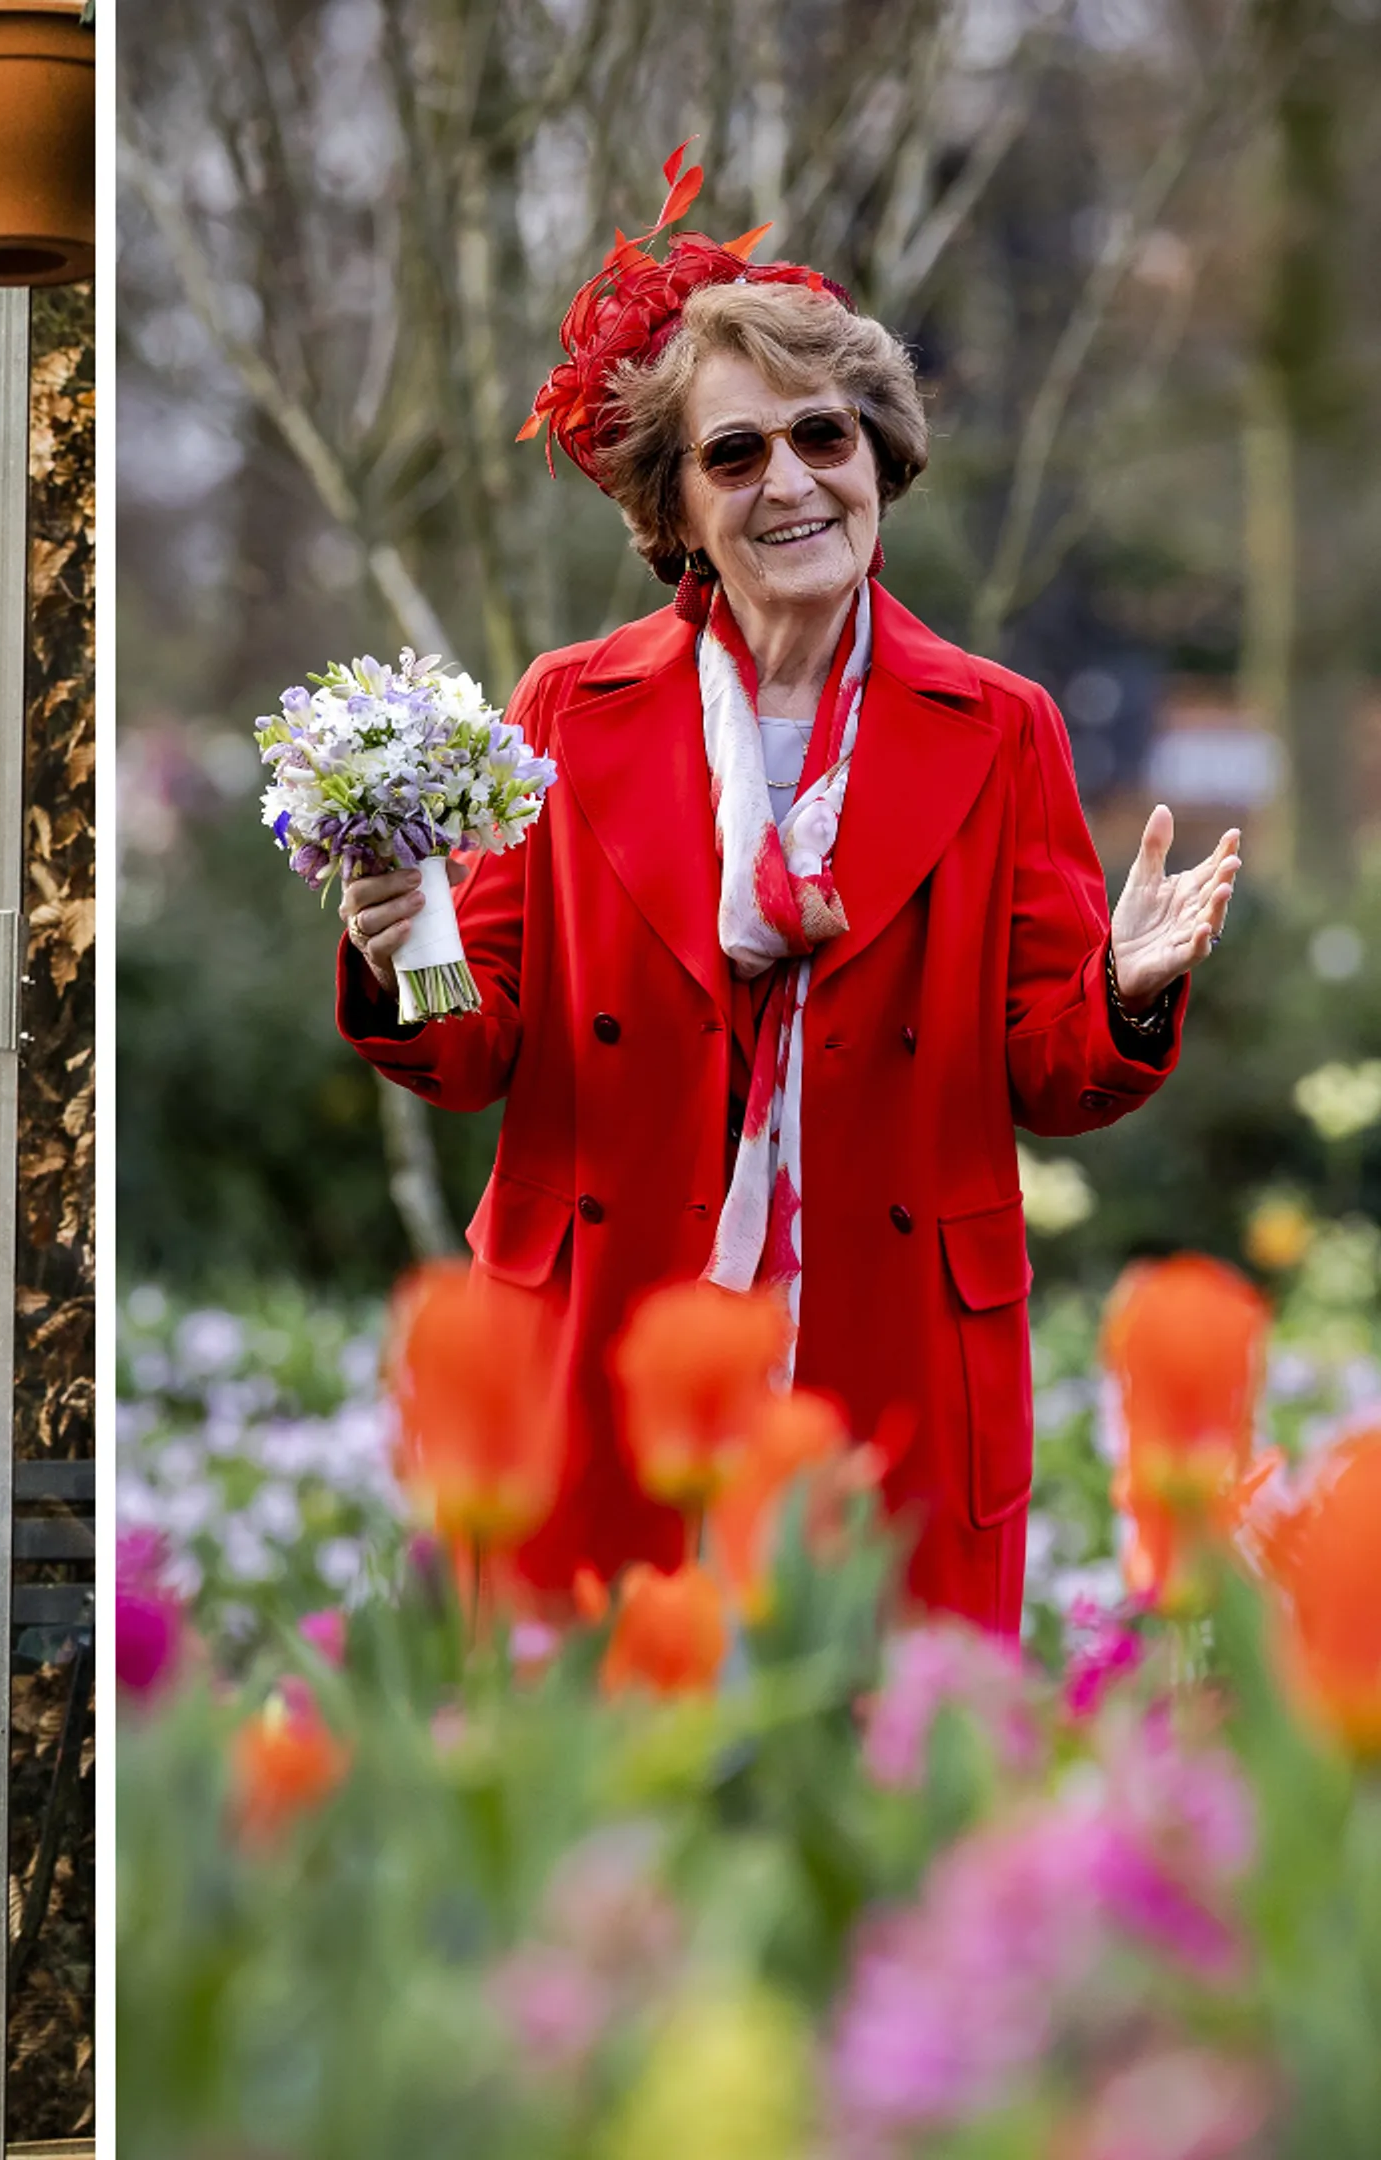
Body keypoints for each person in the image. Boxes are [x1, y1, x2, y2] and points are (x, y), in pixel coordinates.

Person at [334, 166, 1238, 1631]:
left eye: (823, 436)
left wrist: (1123, 990)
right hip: (615, 1333)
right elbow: (473, 1045)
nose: (791, 481)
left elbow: (1047, 1076)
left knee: (871, 1800)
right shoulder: (571, 710)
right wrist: (407, 951)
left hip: (889, 1351)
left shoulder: (998, 725)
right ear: (678, 511)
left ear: (878, 457)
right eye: (735, 455)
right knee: (614, 1780)